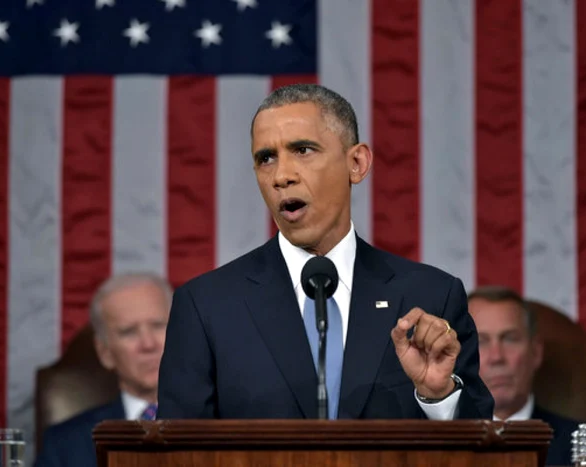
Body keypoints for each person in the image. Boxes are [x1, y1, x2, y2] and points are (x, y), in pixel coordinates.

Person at [157, 83, 493, 421]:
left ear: (357, 163)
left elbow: (486, 451)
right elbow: (175, 455)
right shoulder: (206, 306)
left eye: (302, 150)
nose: (281, 176)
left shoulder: (432, 296)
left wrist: (438, 398)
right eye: (266, 158)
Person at [34, 272, 172, 467]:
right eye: (129, 332)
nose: (148, 344)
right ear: (105, 353)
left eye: (159, 325)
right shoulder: (64, 445)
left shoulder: (226, 423)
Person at [468, 285, 580, 466]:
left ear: (535, 352)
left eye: (510, 338)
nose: (497, 357)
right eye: (480, 342)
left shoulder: (583, 445)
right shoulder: (432, 444)